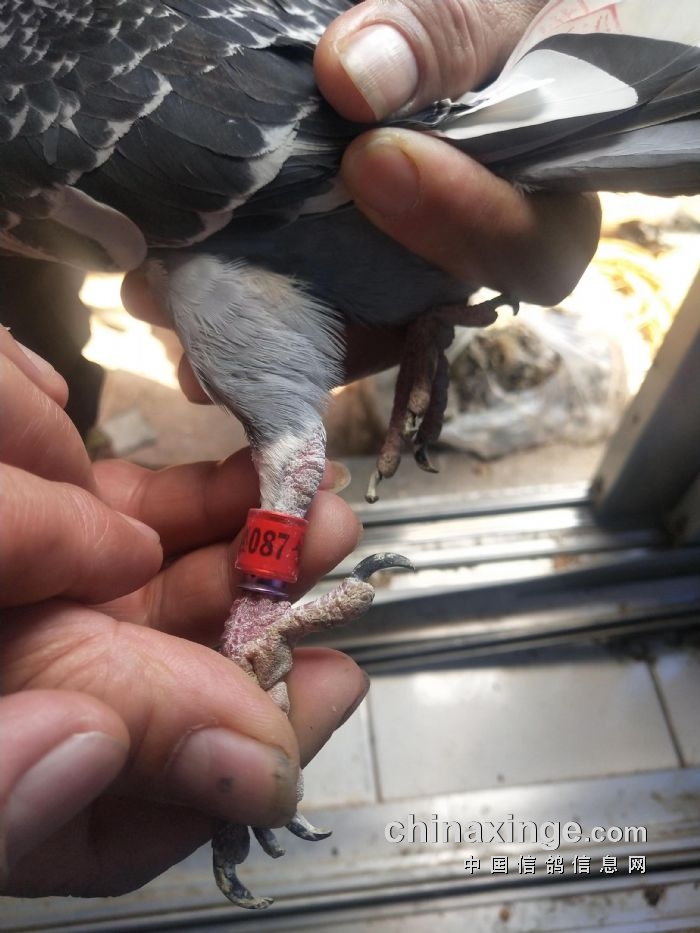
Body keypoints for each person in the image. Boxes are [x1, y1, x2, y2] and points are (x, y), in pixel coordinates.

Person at [0, 0, 600, 897]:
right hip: (304, 163)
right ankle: (421, 301)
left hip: (324, 148)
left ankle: (260, 608)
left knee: (286, 451)